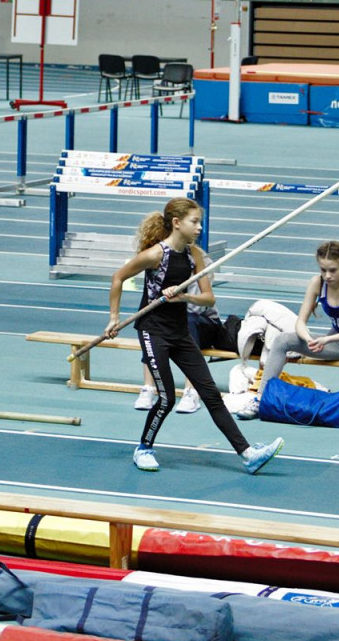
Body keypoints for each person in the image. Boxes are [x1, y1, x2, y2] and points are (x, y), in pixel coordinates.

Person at [105, 197, 284, 473]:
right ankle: (144, 448)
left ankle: (248, 454)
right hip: (154, 333)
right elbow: (118, 277)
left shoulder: (195, 255)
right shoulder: (156, 255)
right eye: (194, 221)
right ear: (177, 223)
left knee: (210, 394)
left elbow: (209, 299)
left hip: (180, 333)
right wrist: (114, 318)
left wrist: (184, 296)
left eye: (200, 221)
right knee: (165, 398)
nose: (199, 227)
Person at [237, 240, 339, 431]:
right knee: (282, 340)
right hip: (335, 344)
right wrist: (309, 339)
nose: (327, 275)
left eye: (333, 270)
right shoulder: (317, 283)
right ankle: (261, 398)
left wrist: (327, 339)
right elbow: (300, 322)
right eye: (323, 270)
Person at [134, 252, 229, 415]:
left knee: (188, 320)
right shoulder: (158, 259)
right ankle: (148, 388)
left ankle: (191, 392)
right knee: (150, 323)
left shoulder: (198, 260)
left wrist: (181, 298)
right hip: (172, 323)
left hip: (205, 323)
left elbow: (201, 305)